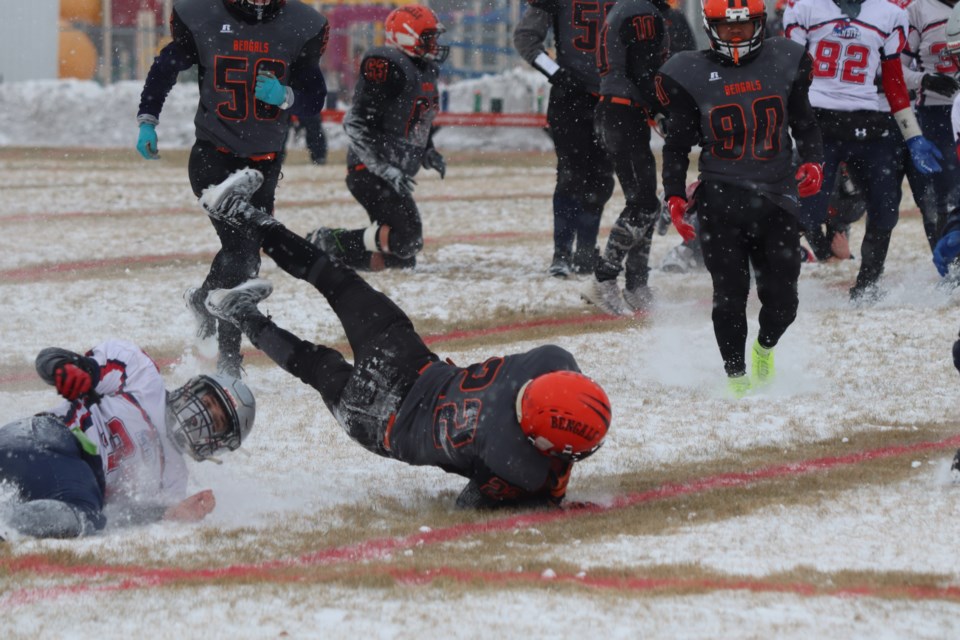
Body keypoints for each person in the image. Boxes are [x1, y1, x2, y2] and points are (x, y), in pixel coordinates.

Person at [197, 168, 612, 509]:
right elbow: (469, 504)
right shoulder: (518, 463)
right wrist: (547, 493)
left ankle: (246, 219)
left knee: (338, 283)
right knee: (315, 364)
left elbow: (551, 412)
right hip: (387, 424)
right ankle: (241, 315)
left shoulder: (550, 361)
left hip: (415, 367)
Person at [135, 0, 329, 376]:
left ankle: (204, 299)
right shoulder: (205, 16)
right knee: (243, 256)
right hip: (214, 158)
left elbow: (314, 97)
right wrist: (148, 117)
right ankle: (228, 359)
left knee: (241, 252)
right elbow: (165, 67)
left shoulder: (299, 25)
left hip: (264, 165)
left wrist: (286, 96)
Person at [656, 0, 825, 396]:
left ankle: (764, 349)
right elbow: (677, 146)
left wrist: (815, 162)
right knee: (729, 296)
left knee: (784, 301)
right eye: (727, 29)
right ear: (710, 27)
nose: (736, 36)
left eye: (743, 27)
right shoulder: (688, 72)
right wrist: (676, 196)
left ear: (759, 24)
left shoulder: (786, 58)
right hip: (721, 198)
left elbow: (805, 123)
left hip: (778, 196)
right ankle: (736, 379)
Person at [0, 340, 255, 540]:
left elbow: (121, 516)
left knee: (92, 516)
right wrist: (62, 368)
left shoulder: (175, 479)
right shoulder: (142, 375)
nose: (201, 418)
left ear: (219, 443)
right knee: (88, 518)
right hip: (48, 437)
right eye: (207, 403)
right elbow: (53, 359)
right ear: (192, 388)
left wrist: (169, 514)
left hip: (66, 488)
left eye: (217, 422)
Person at [783, 0, 943, 303]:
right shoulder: (805, 8)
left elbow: (894, 80)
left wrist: (912, 136)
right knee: (807, 209)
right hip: (819, 121)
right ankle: (777, 278)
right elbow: (789, 70)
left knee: (885, 207)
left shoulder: (889, 14)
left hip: (868, 122)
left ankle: (868, 285)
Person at [304, 5, 447, 272]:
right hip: (368, 171)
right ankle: (327, 240)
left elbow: (417, 122)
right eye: (429, 36)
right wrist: (384, 168)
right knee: (406, 241)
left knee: (402, 256)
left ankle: (325, 257)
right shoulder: (387, 65)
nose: (435, 43)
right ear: (406, 36)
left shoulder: (424, 69)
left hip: (392, 173)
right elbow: (355, 124)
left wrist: (428, 151)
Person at [580, 0, 673, 315]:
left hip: (619, 110)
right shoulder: (641, 12)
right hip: (622, 111)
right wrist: (664, 108)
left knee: (647, 201)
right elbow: (643, 68)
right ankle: (603, 278)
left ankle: (636, 283)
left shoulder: (626, 8)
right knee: (643, 203)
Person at [514, 0, 616, 278]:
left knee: (602, 177)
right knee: (572, 174)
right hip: (572, 96)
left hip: (611, 96)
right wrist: (556, 73)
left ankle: (585, 249)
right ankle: (562, 253)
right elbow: (526, 38)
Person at [900, 0, 960, 253]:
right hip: (938, 113)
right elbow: (893, 69)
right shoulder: (917, 11)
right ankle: (948, 265)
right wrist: (923, 80)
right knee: (945, 195)